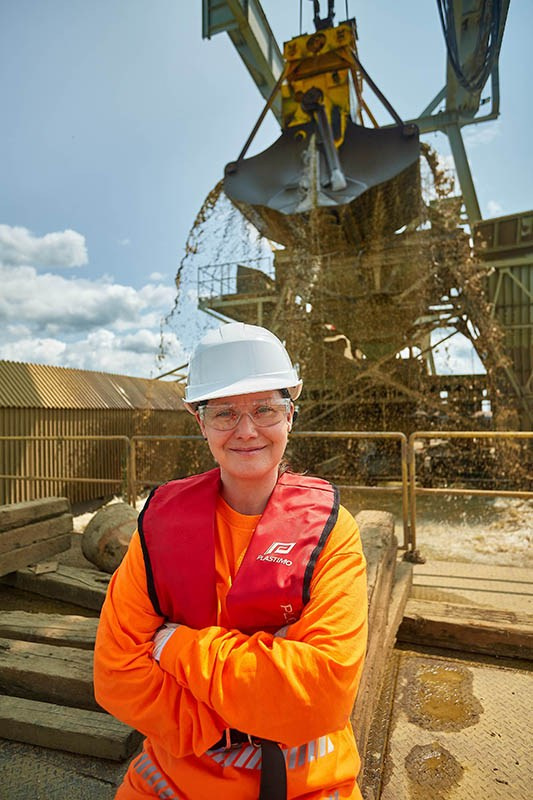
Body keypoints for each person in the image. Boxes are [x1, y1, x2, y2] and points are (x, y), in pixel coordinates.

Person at [94, 322, 368, 800]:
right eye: (224, 413)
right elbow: (116, 676)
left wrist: (175, 646)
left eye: (265, 409)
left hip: (311, 784)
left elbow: (322, 693)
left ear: (291, 417)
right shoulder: (158, 531)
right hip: (169, 783)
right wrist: (260, 695)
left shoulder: (333, 532)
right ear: (200, 422)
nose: (246, 431)